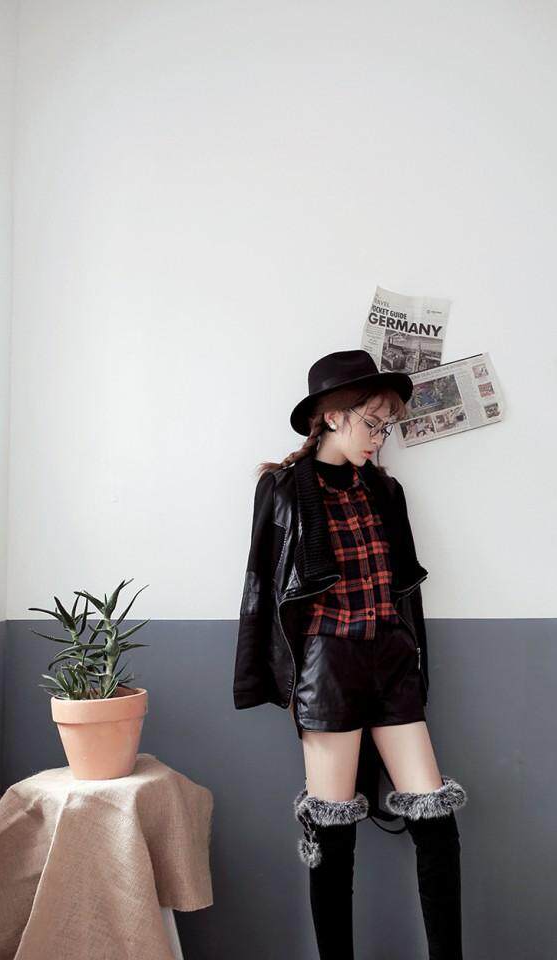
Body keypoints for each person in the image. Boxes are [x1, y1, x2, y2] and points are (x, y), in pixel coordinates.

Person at [233, 349, 467, 959]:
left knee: (436, 822)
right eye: (372, 423)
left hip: (390, 659)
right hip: (329, 665)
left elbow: (403, 588)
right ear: (333, 416)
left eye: (386, 426)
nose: (379, 438)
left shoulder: (385, 490)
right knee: (333, 831)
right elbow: (261, 585)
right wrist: (272, 679)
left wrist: (410, 658)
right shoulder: (282, 489)